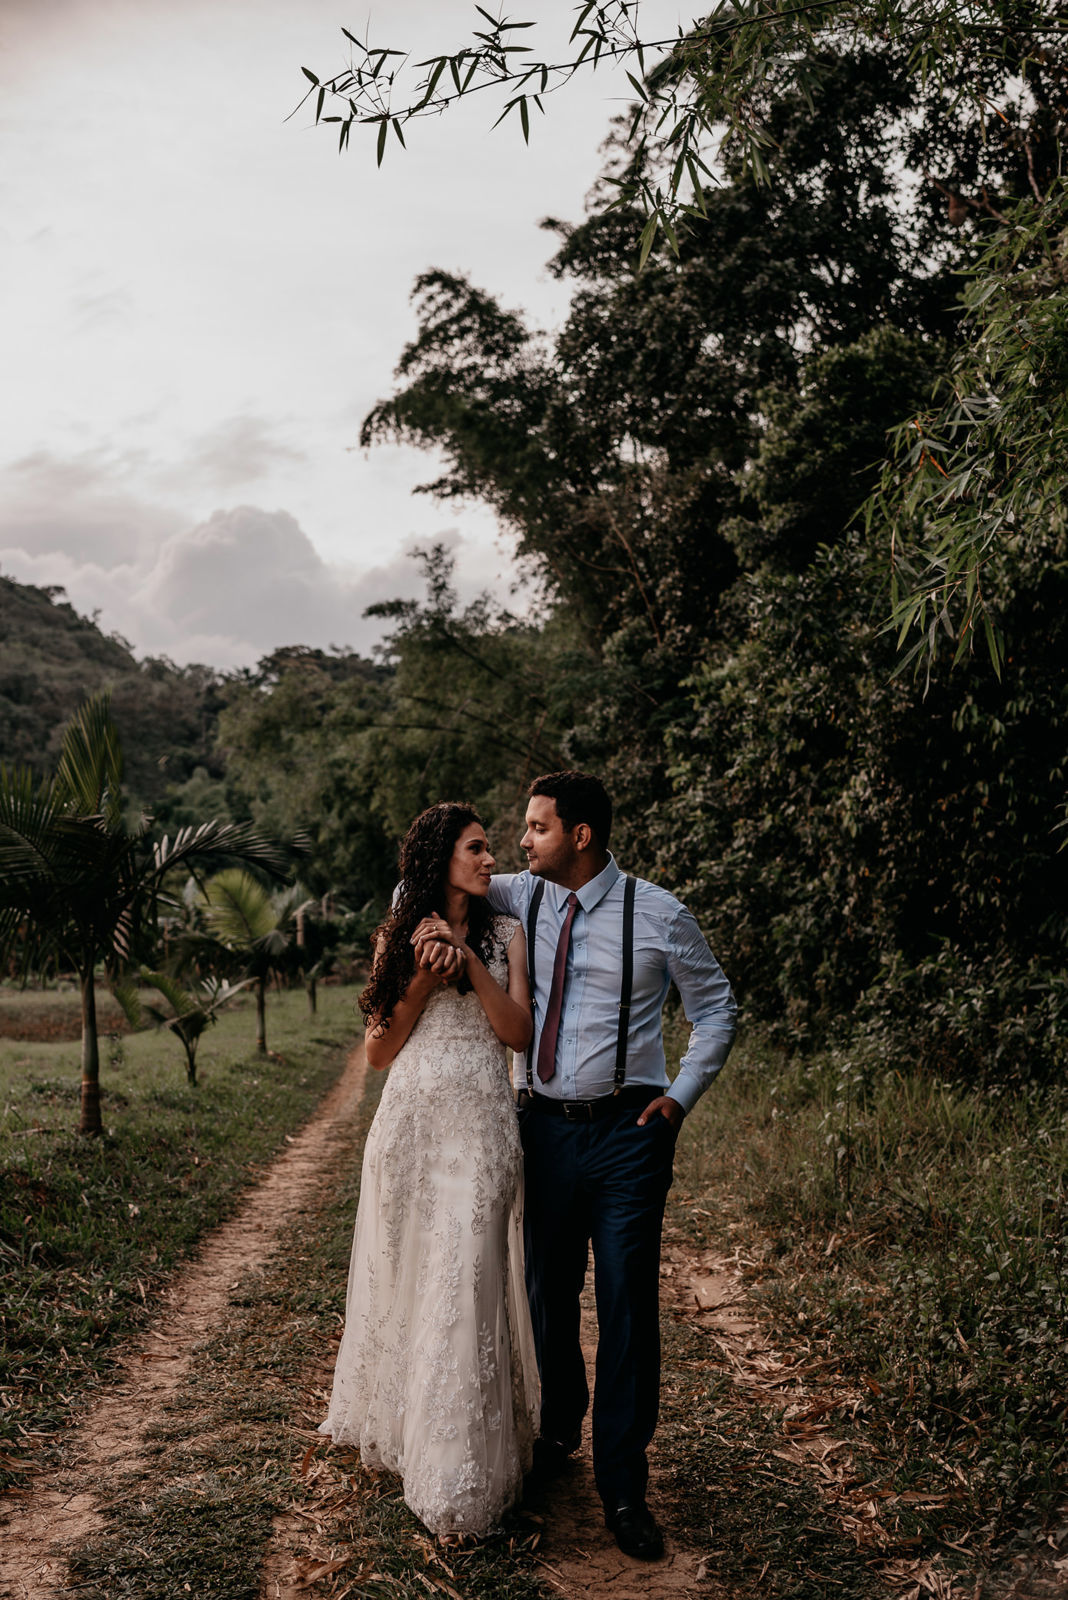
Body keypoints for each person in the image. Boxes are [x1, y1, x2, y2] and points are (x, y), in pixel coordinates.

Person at [486, 770, 737, 1562]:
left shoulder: (661, 913)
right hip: (545, 1130)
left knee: (629, 1301)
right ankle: (561, 1424)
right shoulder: (519, 896)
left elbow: (718, 1009)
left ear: (580, 835)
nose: (522, 841)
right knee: (547, 1291)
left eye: (536, 828)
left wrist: (682, 1096)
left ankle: (623, 1483)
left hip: (631, 1134)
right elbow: (426, 882)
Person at [318, 802, 539, 1542]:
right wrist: (420, 972)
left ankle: (456, 1479)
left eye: (490, 850)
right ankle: (415, 1436)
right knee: (417, 1276)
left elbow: (518, 1034)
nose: (490, 860)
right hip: (411, 1127)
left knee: (465, 1280)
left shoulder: (508, 933)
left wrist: (470, 962)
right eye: (477, 849)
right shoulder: (397, 935)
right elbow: (378, 1053)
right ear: (440, 858)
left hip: (480, 1132)